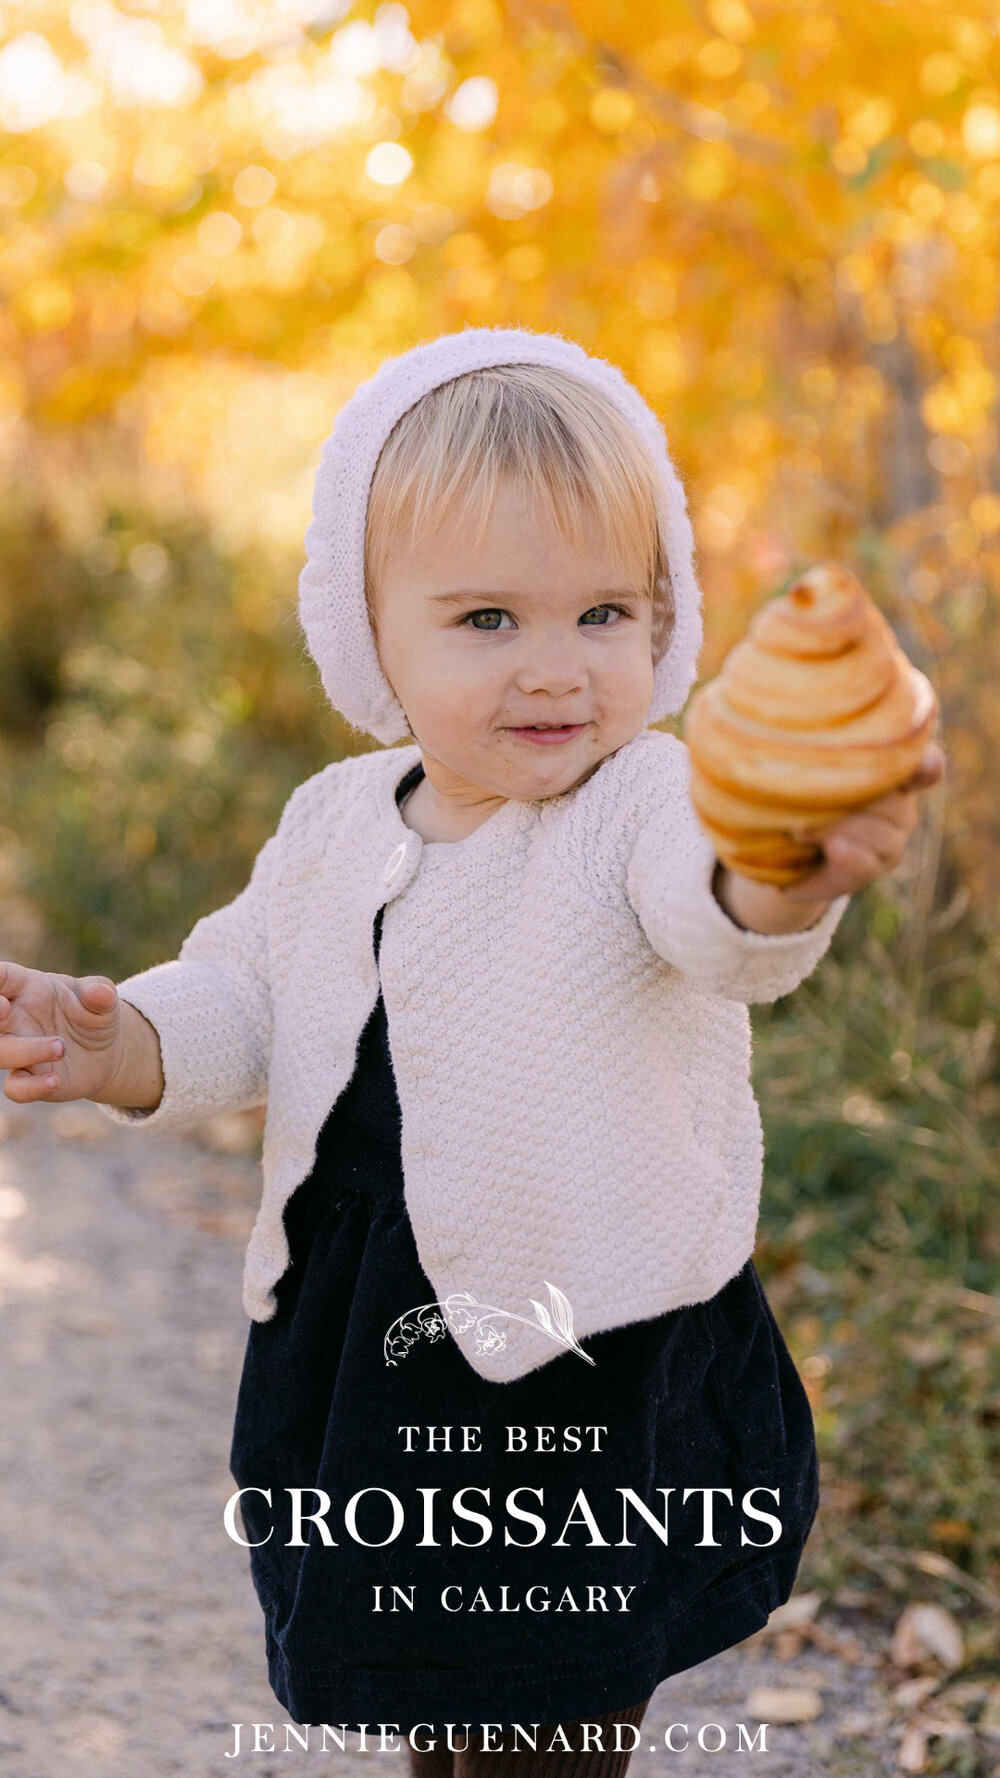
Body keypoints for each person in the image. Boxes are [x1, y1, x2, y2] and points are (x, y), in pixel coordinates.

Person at [0, 328, 944, 1769]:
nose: (556, 669)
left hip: (585, 1358)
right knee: (442, 1686)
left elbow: (718, 915)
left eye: (605, 614)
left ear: (661, 616)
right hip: (380, 1342)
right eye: (488, 619)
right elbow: (244, 990)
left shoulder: (644, 800)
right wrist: (120, 1036)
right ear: (369, 629)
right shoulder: (334, 820)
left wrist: (789, 870)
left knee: (549, 1709)